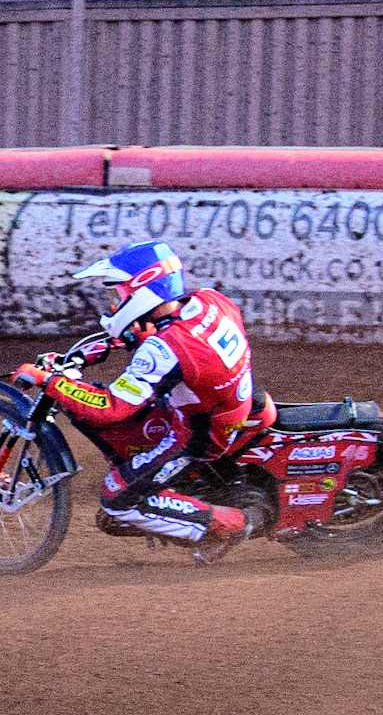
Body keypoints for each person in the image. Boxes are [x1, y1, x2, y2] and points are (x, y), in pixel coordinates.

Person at [15, 240, 259, 563]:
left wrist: (51, 382)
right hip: (223, 406)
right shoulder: (208, 301)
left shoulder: (164, 348)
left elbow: (112, 407)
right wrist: (140, 336)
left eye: (121, 294)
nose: (117, 304)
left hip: (198, 437)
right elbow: (191, 348)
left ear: (143, 290)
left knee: (115, 497)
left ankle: (231, 524)